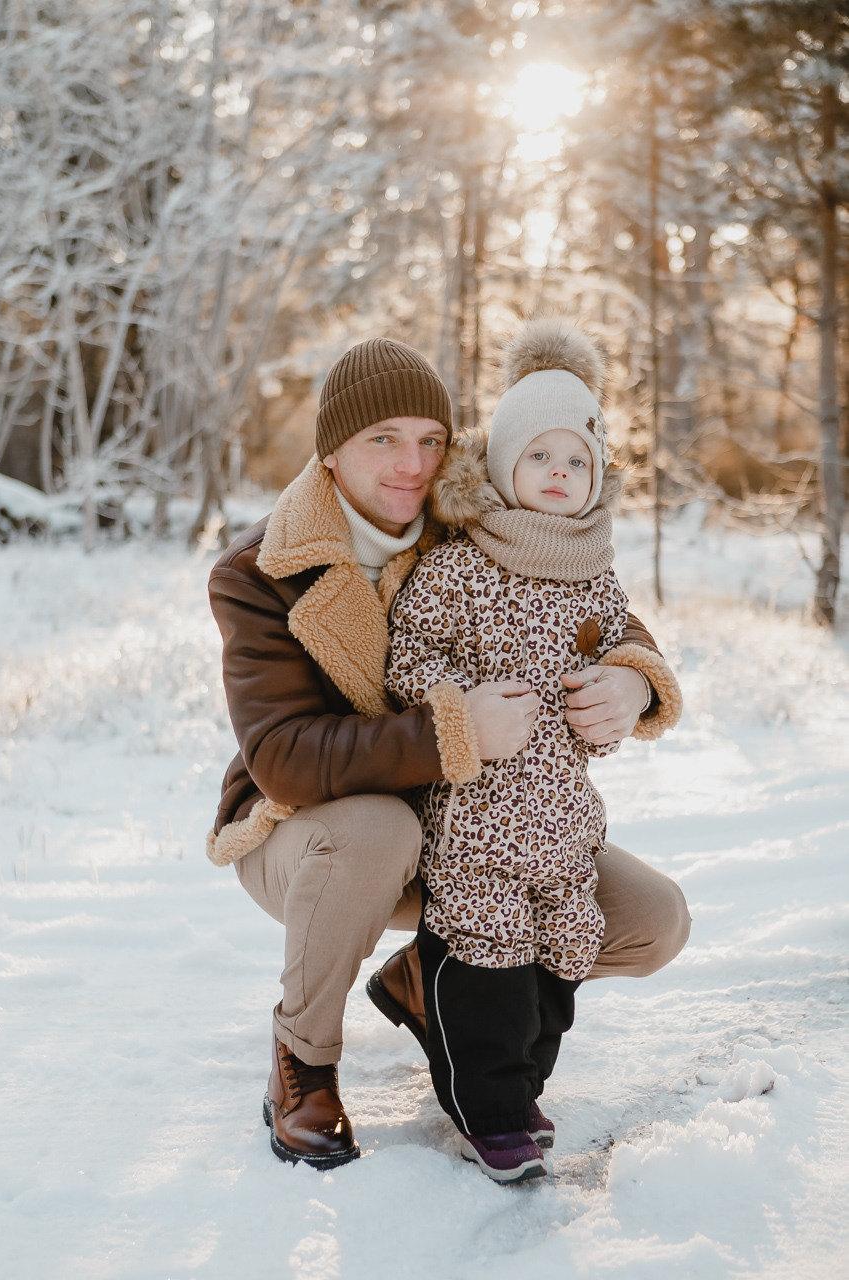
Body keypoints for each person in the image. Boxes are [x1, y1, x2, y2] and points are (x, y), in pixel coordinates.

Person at [206, 335, 688, 1172]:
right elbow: (283, 755)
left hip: (478, 827)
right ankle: (302, 1060)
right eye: (382, 440)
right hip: (309, 834)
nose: (411, 465)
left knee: (651, 921)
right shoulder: (260, 570)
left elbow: (581, 596)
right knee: (375, 831)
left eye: (431, 439)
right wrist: (449, 731)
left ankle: (433, 983)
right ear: (331, 452)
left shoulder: (472, 515)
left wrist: (633, 680)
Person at [384, 318, 683, 1183]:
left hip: (564, 820)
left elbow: (618, 650)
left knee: (562, 950)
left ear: (597, 480)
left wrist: (618, 694)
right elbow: (410, 654)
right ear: (503, 465)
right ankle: (490, 1111)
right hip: (477, 817)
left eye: (576, 463)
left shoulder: (596, 572)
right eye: (540, 458)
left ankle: (521, 1084)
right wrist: (457, 708)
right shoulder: (461, 564)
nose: (559, 476)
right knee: (488, 952)